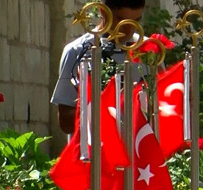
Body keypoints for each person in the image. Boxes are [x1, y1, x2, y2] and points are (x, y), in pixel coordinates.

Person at [51, 0, 146, 134]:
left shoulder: (148, 50)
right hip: (94, 144)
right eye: (121, 20)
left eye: (136, 20)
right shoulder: (78, 51)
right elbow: (66, 122)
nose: (129, 29)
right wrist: (103, 107)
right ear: (103, 12)